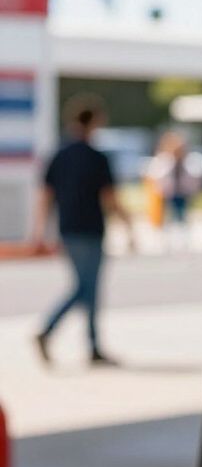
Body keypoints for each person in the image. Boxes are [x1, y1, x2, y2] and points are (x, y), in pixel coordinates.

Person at [30, 95, 133, 367]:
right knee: (86, 288)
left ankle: (93, 346)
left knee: (87, 288)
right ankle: (50, 330)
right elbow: (110, 198)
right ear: (95, 122)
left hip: (68, 228)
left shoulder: (59, 154)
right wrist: (128, 225)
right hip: (90, 229)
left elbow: (45, 196)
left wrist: (40, 230)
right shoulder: (97, 157)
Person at [147, 131, 202, 249]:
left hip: (181, 192)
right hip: (167, 192)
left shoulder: (188, 161)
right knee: (167, 215)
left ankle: (182, 239)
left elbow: (195, 176)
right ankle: (166, 238)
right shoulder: (164, 160)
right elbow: (156, 176)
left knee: (181, 215)